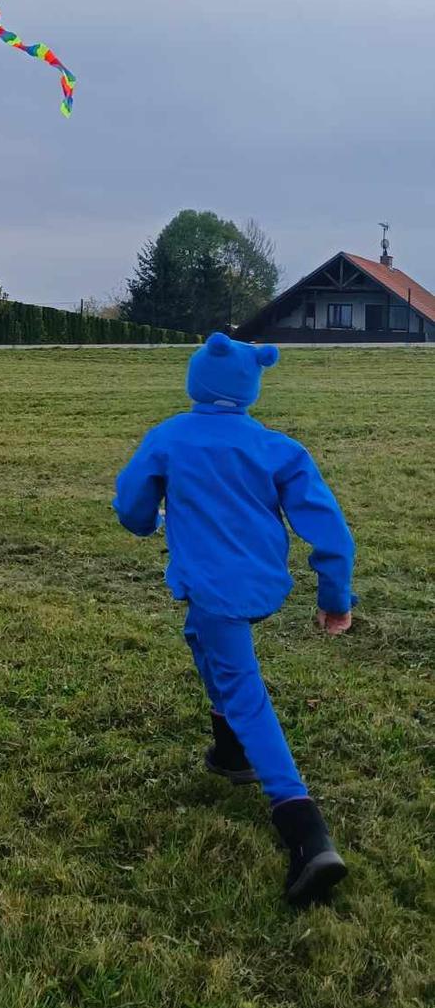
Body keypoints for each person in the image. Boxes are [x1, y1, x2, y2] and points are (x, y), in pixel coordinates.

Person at [113, 331, 355, 907]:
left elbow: (130, 505)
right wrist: (334, 595)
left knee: (245, 691)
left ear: (197, 382)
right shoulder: (277, 446)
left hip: (216, 588)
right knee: (201, 636)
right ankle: (231, 753)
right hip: (257, 584)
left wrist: (145, 521)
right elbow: (329, 527)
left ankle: (305, 832)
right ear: (249, 389)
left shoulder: (169, 437)